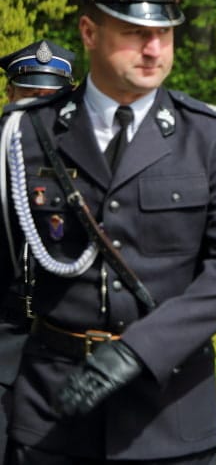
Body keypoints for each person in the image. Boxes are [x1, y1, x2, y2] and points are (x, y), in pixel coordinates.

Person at [0, 0, 216, 463]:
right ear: (89, 32)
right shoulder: (24, 134)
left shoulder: (209, 136)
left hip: (169, 413)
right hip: (52, 412)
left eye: (163, 33)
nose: (153, 49)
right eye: (134, 32)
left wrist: (137, 350)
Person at [0, 39, 75, 462]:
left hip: (62, 347)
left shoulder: (94, 161)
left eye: (50, 98)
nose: (39, 107)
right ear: (10, 95)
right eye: (29, 96)